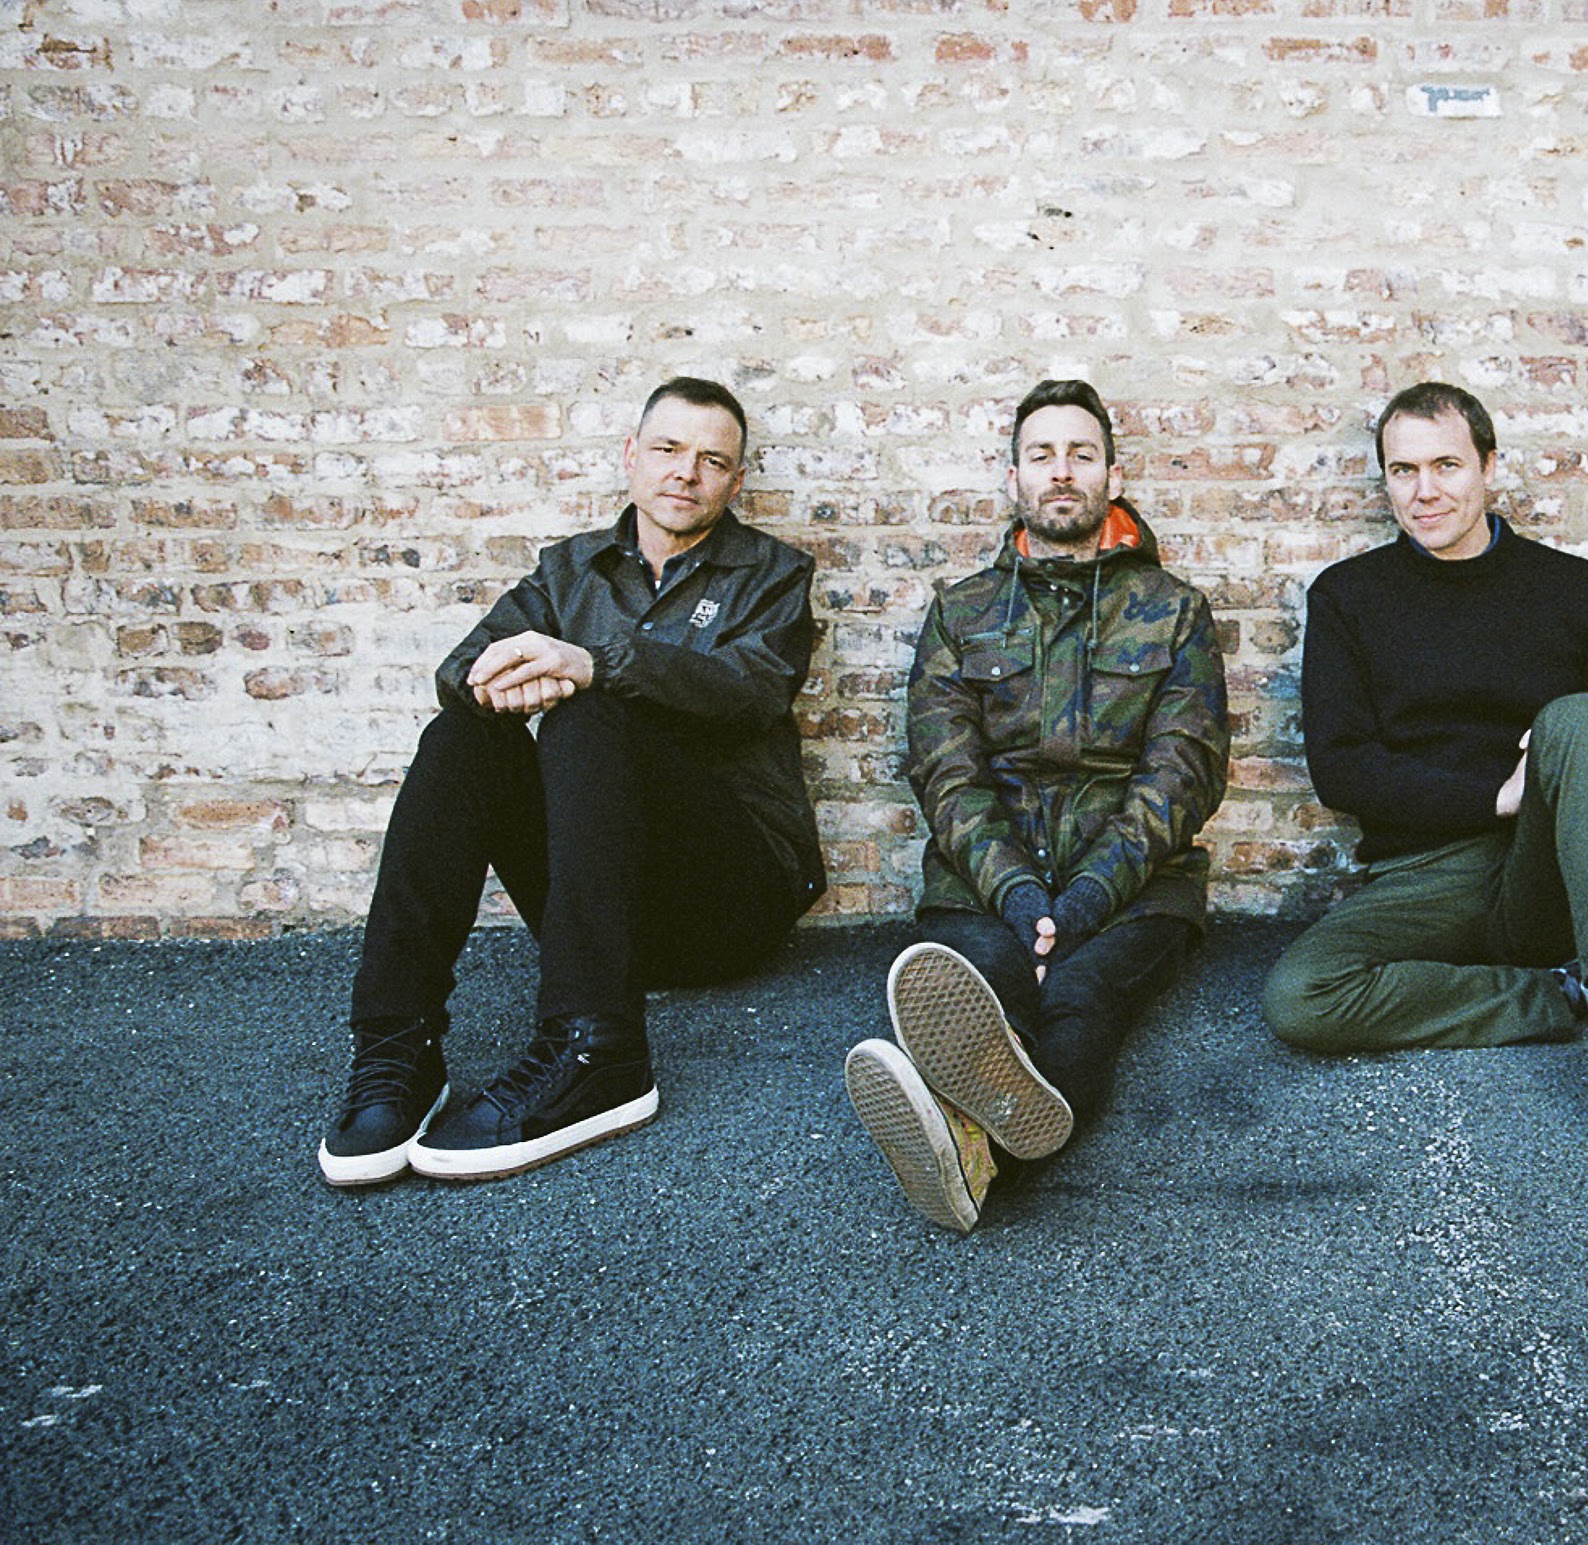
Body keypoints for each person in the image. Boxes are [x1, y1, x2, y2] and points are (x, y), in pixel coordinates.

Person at [317, 376, 824, 1186]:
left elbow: (750, 691)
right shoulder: (570, 571)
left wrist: (592, 664)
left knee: (589, 714)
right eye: (667, 448)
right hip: (598, 915)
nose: (686, 471)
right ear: (631, 456)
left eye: (712, 460)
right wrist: (498, 681)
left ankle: (598, 1050)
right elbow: (460, 668)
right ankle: (396, 1046)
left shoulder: (773, 575)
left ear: (734, 482)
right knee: (463, 734)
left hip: (727, 899)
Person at [1262, 381, 1588, 1180]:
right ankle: (1585, 989)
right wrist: (1493, 794)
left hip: (1548, 867)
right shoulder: (1348, 597)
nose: (1425, 490)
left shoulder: (1570, 588)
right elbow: (1342, 769)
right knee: (1300, 995)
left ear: (1487, 466)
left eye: (1446, 465)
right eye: (1403, 470)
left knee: (1579, 716)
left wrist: (1553, 768)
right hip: (1423, 875)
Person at [844, 378, 1229, 1232]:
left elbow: (1183, 773)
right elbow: (946, 773)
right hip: (983, 879)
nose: (1062, 471)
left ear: (1112, 476)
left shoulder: (1174, 611)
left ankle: (968, 1149)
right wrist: (1019, 895)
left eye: (1081, 455)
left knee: (1083, 1001)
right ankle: (979, 1142)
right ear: (1014, 476)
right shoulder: (962, 612)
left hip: (1137, 887)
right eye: (1042, 454)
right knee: (987, 986)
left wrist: (1087, 897)